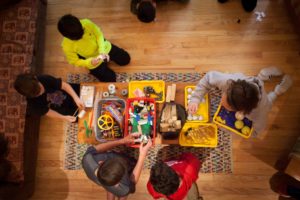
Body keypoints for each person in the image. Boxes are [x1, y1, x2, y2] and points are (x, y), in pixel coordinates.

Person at [188, 67, 293, 134]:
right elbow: (208, 78)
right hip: (246, 80)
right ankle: (262, 76)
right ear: (230, 87)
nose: (221, 103)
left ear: (242, 111)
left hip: (263, 100)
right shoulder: (229, 82)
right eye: (224, 96)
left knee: (269, 103)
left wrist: (227, 129)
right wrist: (195, 99)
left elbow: (256, 131)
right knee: (254, 79)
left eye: (227, 106)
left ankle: (277, 91)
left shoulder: (259, 111)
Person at [58, 14, 130, 82]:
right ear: (67, 36)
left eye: (82, 32)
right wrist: (89, 62)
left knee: (126, 59)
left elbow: (99, 35)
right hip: (91, 60)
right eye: (77, 38)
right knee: (111, 79)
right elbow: (75, 61)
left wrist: (102, 51)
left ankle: (105, 62)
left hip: (104, 48)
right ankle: (97, 69)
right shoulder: (66, 45)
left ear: (80, 23)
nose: (81, 37)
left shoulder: (86, 23)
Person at [82, 133, 152, 200]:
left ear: (101, 162)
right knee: (122, 193)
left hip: (105, 182)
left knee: (114, 188)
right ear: (117, 184)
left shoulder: (87, 158)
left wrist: (122, 141)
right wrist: (142, 156)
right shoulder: (124, 189)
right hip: (114, 186)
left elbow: (97, 149)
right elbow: (132, 181)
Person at [14, 73, 84, 122]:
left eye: (40, 88)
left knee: (90, 96)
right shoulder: (32, 106)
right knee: (84, 118)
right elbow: (48, 112)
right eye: (38, 94)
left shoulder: (43, 78)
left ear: (36, 78)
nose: (42, 92)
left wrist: (76, 98)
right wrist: (64, 117)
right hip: (63, 109)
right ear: (29, 96)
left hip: (72, 92)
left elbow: (64, 86)